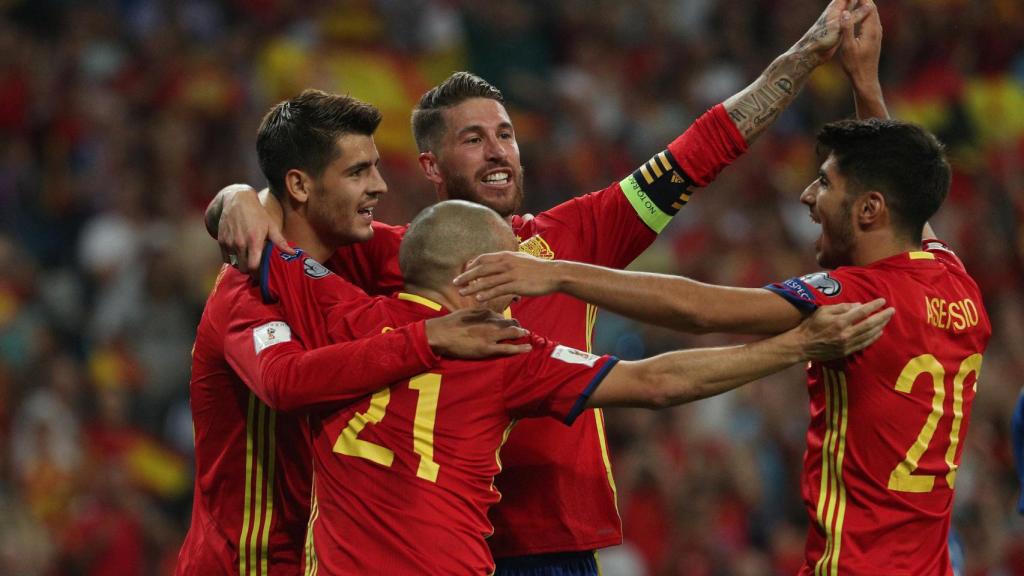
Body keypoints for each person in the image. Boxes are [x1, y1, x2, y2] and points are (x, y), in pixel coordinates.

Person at [206, 1, 877, 572]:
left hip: (552, 535)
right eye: (474, 139)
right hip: (427, 534)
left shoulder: (575, 234)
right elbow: (294, 222)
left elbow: (698, 154)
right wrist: (236, 196)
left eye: (506, 134)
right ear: (432, 166)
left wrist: (803, 56)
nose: (499, 150)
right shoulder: (404, 253)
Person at [454, 113, 991, 576]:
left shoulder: (858, 297)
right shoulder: (955, 279)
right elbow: (905, 189)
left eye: (825, 184)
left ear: (871, 209)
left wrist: (556, 273)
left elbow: (700, 310)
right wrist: (867, 85)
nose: (807, 195)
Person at [263, 199, 892, 575]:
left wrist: (239, 196)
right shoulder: (503, 350)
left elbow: (255, 240)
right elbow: (657, 382)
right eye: (511, 264)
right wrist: (798, 347)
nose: (523, 280)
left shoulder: (339, 312)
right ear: (474, 273)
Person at [178, 91, 529, 576]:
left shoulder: (357, 258)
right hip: (248, 564)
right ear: (299, 186)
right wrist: (427, 338)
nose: (380, 186)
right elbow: (284, 382)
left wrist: (235, 198)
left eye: (376, 168)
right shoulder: (248, 283)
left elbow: (456, 249)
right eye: (358, 172)